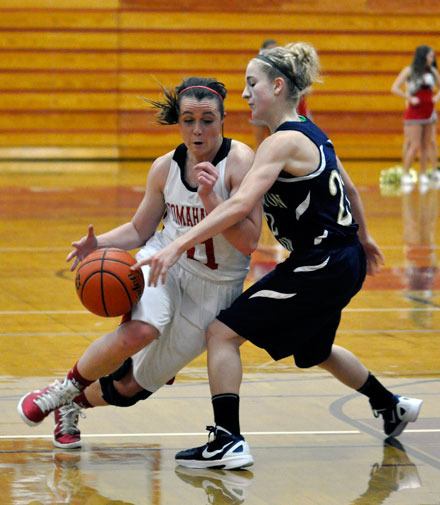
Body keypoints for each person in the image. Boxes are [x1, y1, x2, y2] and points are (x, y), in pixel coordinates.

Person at [134, 42, 424, 470]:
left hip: (320, 263)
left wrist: (178, 243)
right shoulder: (311, 130)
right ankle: (390, 405)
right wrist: (364, 238)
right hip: (338, 259)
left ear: (277, 85)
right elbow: (351, 187)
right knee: (316, 348)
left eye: (252, 84)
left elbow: (238, 206)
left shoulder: (281, 142)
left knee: (222, 333)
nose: (246, 94)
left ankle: (228, 440)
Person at [16, 77, 262, 449]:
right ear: (178, 123)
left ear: (223, 120)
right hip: (163, 263)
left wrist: (211, 199)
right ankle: (61, 388)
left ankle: (72, 405)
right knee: (141, 331)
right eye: (189, 120)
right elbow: (139, 228)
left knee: (131, 388)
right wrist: (99, 244)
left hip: (215, 288)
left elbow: (249, 242)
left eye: (208, 120)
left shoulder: (240, 162)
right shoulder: (165, 168)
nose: (198, 130)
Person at [391, 45, 440, 188]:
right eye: (430, 56)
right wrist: (409, 97)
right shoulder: (409, 70)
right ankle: (405, 174)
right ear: (423, 55)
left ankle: (423, 174)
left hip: (429, 112)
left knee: (426, 145)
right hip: (414, 112)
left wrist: (436, 97)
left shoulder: (432, 71)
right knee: (414, 144)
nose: (432, 59)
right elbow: (394, 88)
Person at [253, 39, 312, 147]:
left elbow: (305, 90)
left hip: (294, 111)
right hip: (267, 106)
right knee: (262, 144)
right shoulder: (258, 70)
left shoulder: (288, 69)